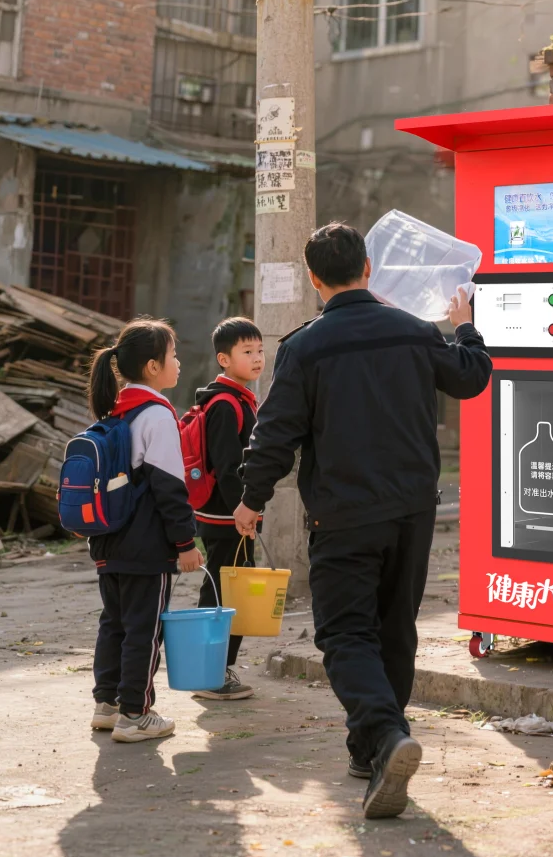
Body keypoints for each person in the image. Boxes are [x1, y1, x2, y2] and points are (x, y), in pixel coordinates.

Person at [234, 221, 491, 819]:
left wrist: (253, 496)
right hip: (410, 511)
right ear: (369, 269)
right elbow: (472, 377)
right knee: (395, 628)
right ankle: (369, 749)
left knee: (346, 635)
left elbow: (276, 433)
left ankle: (384, 736)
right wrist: (466, 327)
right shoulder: (415, 331)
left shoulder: (306, 347)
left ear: (314, 279)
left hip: (344, 515)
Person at [87, 318, 204, 744]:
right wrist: (186, 543)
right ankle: (136, 713)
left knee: (114, 623)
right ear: (153, 367)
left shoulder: (116, 408)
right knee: (145, 628)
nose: (178, 363)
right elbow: (169, 488)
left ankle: (108, 703)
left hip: (108, 540)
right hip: (146, 543)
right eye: (173, 356)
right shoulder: (157, 413)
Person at [189, 316, 264, 702]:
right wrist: (244, 509)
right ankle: (211, 673)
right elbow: (228, 466)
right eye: (247, 352)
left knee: (222, 592)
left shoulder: (236, 399)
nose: (257, 358)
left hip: (230, 516)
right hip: (226, 518)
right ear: (223, 358)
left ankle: (215, 669)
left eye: (260, 350)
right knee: (222, 596)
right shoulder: (224, 404)